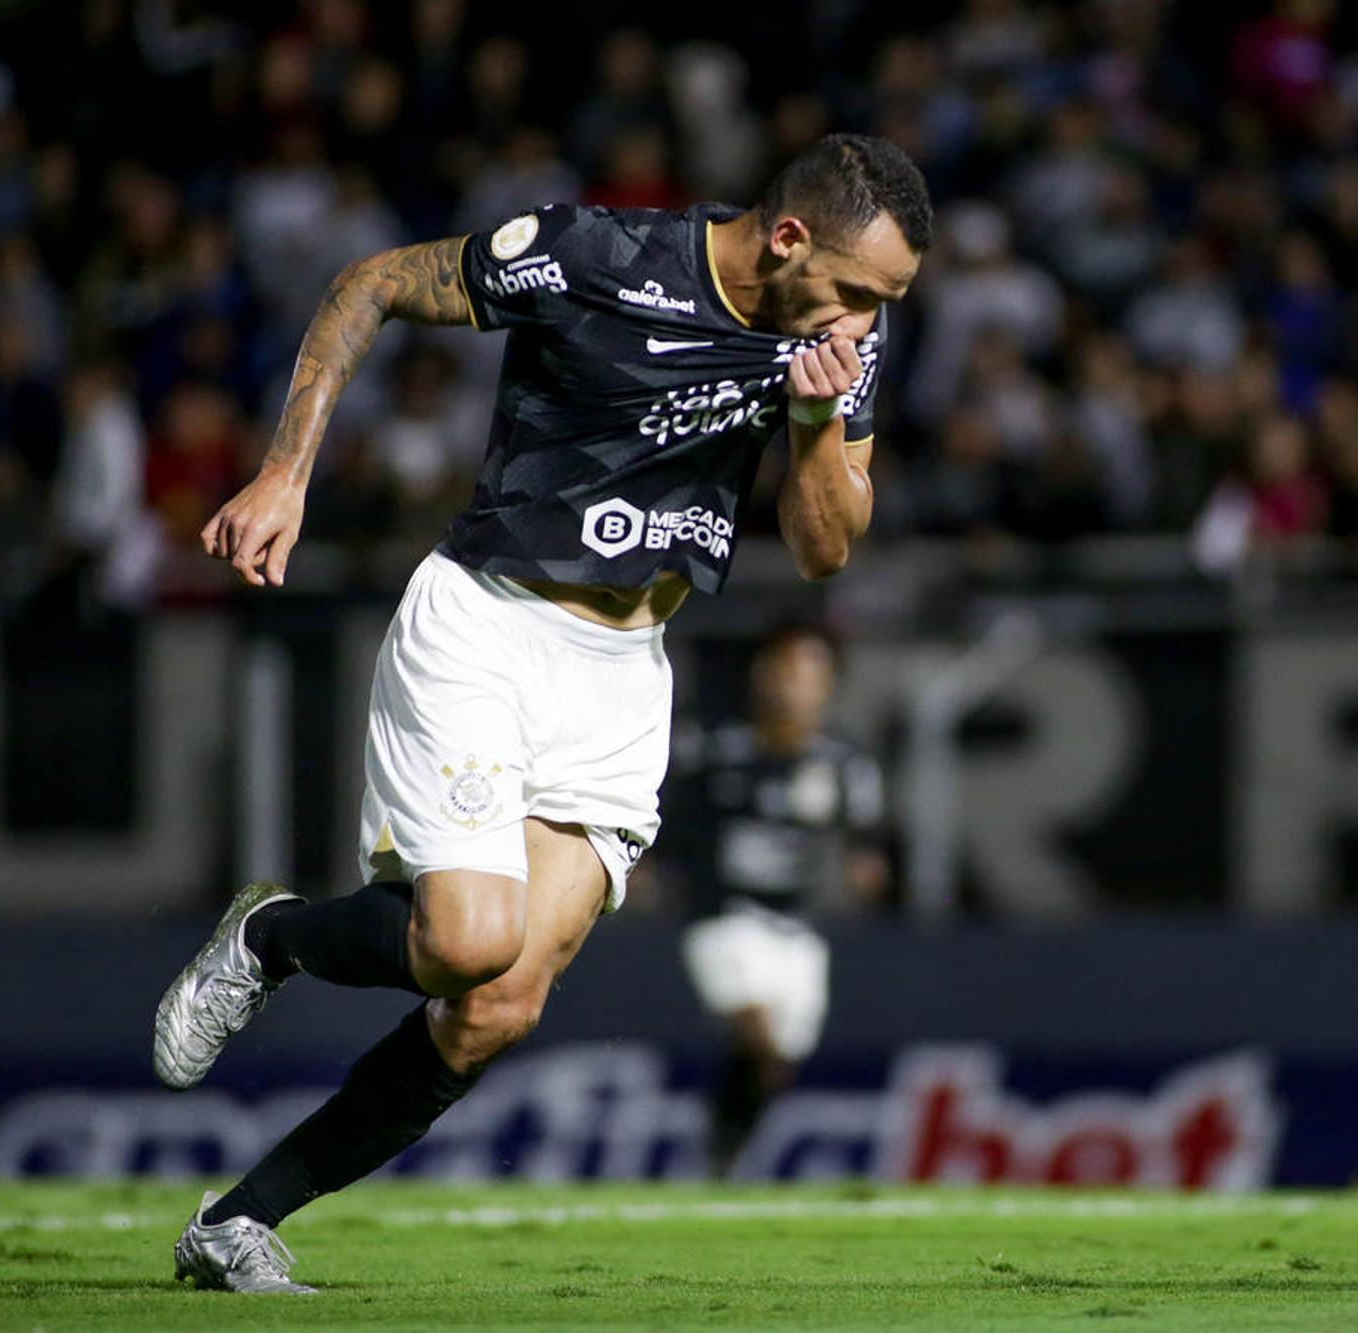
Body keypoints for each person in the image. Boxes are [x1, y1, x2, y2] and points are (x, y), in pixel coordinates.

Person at [153, 134, 931, 1293]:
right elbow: (369, 282)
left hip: (623, 674)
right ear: (786, 239)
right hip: (489, 623)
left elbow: (824, 548)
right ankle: (272, 939)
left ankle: (236, 1223)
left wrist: (817, 423)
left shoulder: (837, 342)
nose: (869, 323)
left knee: (495, 1008)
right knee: (468, 940)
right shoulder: (592, 257)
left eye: (890, 305)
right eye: (862, 293)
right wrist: (286, 473)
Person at [673, 622, 887, 1176]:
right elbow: (672, 824)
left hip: (798, 929)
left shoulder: (844, 763)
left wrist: (867, 865)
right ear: (760, 675)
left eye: (809, 673)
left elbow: (867, 836)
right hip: (726, 915)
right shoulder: (715, 750)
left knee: (775, 1062)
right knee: (758, 1031)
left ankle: (723, 1145)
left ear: (828, 684)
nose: (795, 686)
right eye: (785, 670)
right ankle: (722, 1147)